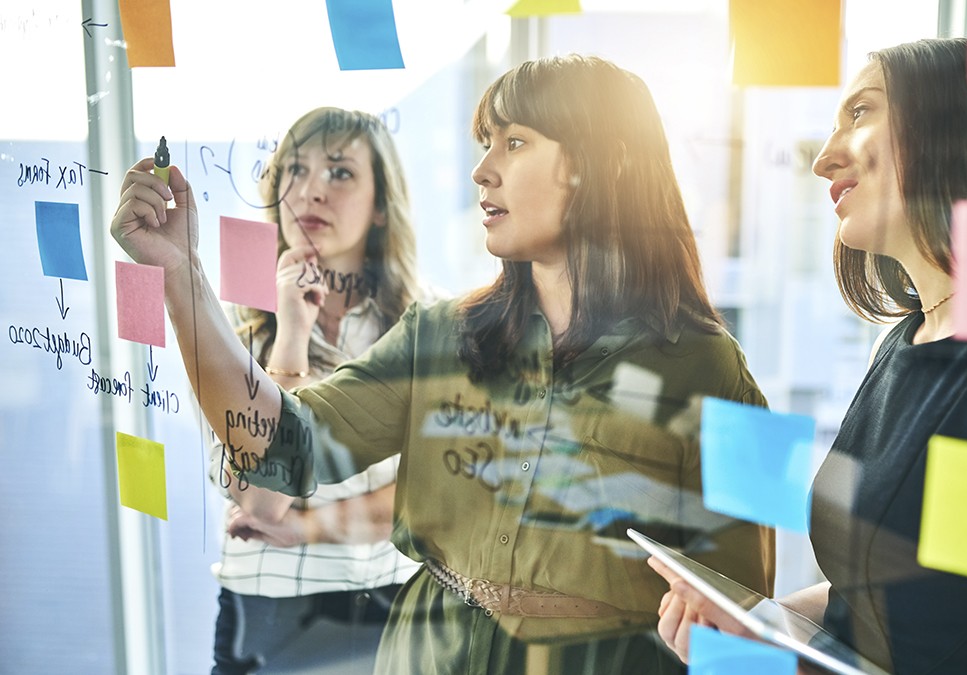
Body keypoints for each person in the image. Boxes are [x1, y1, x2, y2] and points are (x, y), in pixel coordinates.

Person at [112, 55, 774, 675]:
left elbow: (753, 629)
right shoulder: (437, 335)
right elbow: (282, 445)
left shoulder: (721, 372)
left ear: (607, 164)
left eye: (514, 143)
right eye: (486, 144)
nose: (482, 170)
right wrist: (180, 274)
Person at [652, 38, 967, 674]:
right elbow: (914, 603)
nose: (825, 159)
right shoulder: (910, 343)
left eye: (860, 113)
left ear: (955, 132)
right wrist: (758, 634)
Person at [207, 107, 426, 674]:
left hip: (395, 604)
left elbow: (429, 494)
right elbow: (260, 499)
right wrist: (292, 340)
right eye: (294, 171)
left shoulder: (428, 326)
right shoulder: (237, 334)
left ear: (381, 205)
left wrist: (303, 528)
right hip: (266, 614)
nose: (311, 192)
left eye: (340, 172)